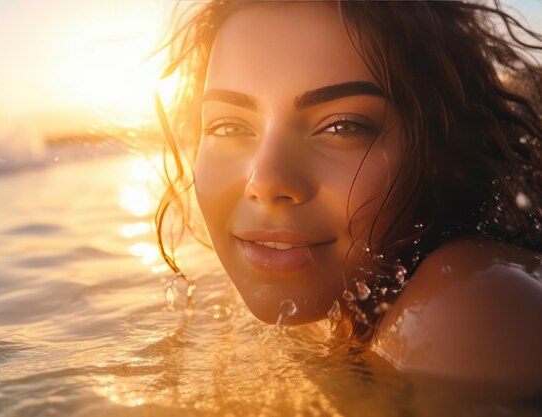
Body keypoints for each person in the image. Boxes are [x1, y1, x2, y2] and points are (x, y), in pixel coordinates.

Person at [154, 1, 542, 381]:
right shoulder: (351, 299)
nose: (265, 181)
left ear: (440, 145)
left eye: (342, 127)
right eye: (228, 126)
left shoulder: (466, 305)